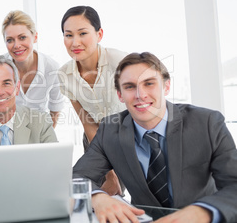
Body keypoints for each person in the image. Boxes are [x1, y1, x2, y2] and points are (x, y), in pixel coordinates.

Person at [72, 52, 237, 223]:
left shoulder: (207, 123)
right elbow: (78, 176)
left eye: (149, 83)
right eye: (129, 86)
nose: (140, 94)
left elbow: (234, 185)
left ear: (166, 86)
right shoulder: (110, 130)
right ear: (120, 95)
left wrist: (202, 213)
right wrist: (98, 198)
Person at [58, 5, 127, 195]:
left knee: (135, 195)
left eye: (82, 33)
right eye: (68, 35)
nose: (75, 42)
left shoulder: (119, 62)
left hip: (129, 136)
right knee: (88, 192)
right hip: (95, 139)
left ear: (99, 34)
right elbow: (87, 123)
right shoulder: (65, 75)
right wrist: (109, 174)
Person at [1, 10, 65, 128]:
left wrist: (45, 138)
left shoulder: (52, 68)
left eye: (22, 37)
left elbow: (55, 110)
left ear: (35, 37)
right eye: (10, 40)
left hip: (39, 132)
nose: (16, 45)